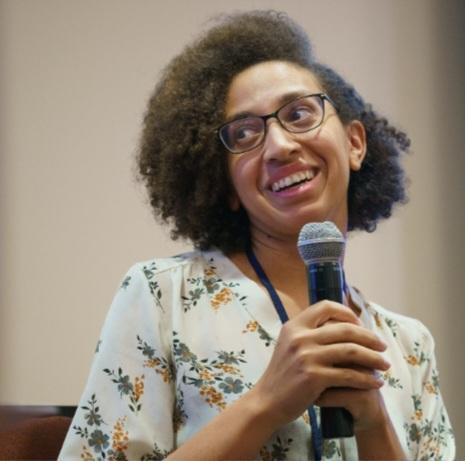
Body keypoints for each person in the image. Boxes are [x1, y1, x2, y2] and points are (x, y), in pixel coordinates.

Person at [59, 10, 455, 461]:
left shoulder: (408, 345)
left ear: (355, 144)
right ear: (226, 185)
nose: (280, 146)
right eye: (245, 133)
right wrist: (265, 403)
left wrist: (375, 422)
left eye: (300, 113)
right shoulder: (162, 296)